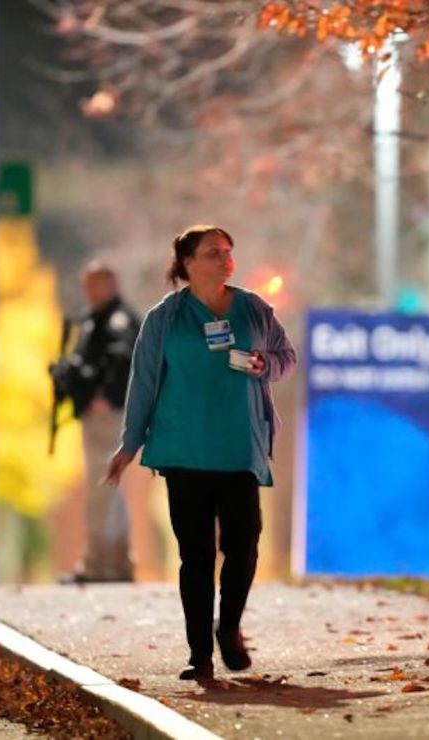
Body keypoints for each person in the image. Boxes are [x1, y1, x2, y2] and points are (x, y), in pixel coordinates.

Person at [103, 225, 296, 681]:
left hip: (239, 448)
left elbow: (287, 357)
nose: (226, 260)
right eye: (214, 253)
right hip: (183, 449)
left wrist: (266, 364)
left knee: (244, 544)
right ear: (188, 262)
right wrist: (130, 444)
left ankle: (227, 628)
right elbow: (144, 381)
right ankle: (199, 655)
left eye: (229, 252)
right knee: (196, 556)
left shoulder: (254, 308)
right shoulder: (165, 319)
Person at [52, 261, 140, 583]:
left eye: (94, 284)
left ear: (110, 284)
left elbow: (127, 361)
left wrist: (106, 396)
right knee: (106, 491)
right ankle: (113, 563)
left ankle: (100, 564)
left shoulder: (117, 321)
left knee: (102, 490)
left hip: (109, 416)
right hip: (97, 415)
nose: (88, 292)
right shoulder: (95, 320)